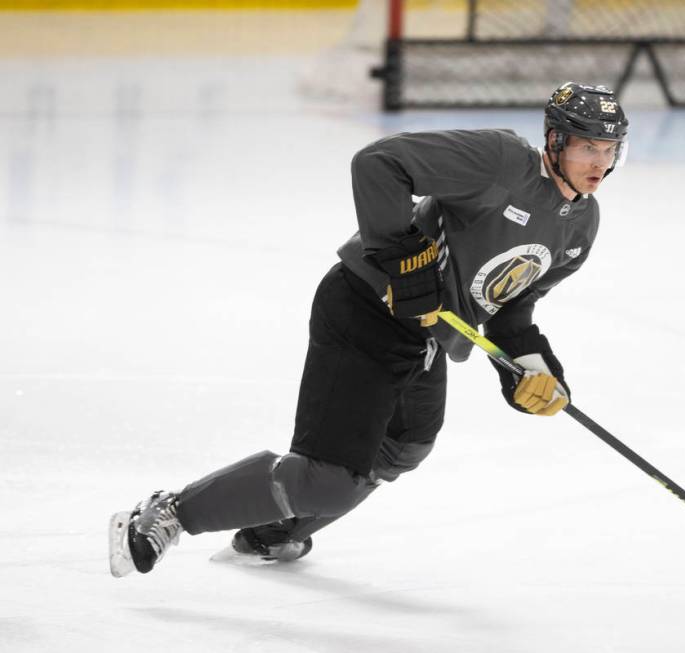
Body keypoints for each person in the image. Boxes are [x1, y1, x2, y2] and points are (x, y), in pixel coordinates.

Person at [109, 81, 630, 577]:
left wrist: (533, 372)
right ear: (555, 141)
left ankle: (273, 529)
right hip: (366, 307)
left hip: (424, 336)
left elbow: (512, 305)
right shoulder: (503, 162)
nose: (600, 164)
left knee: (406, 446)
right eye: (588, 147)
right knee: (329, 479)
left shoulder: (581, 225)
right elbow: (381, 163)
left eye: (610, 150)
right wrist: (404, 256)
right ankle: (171, 512)